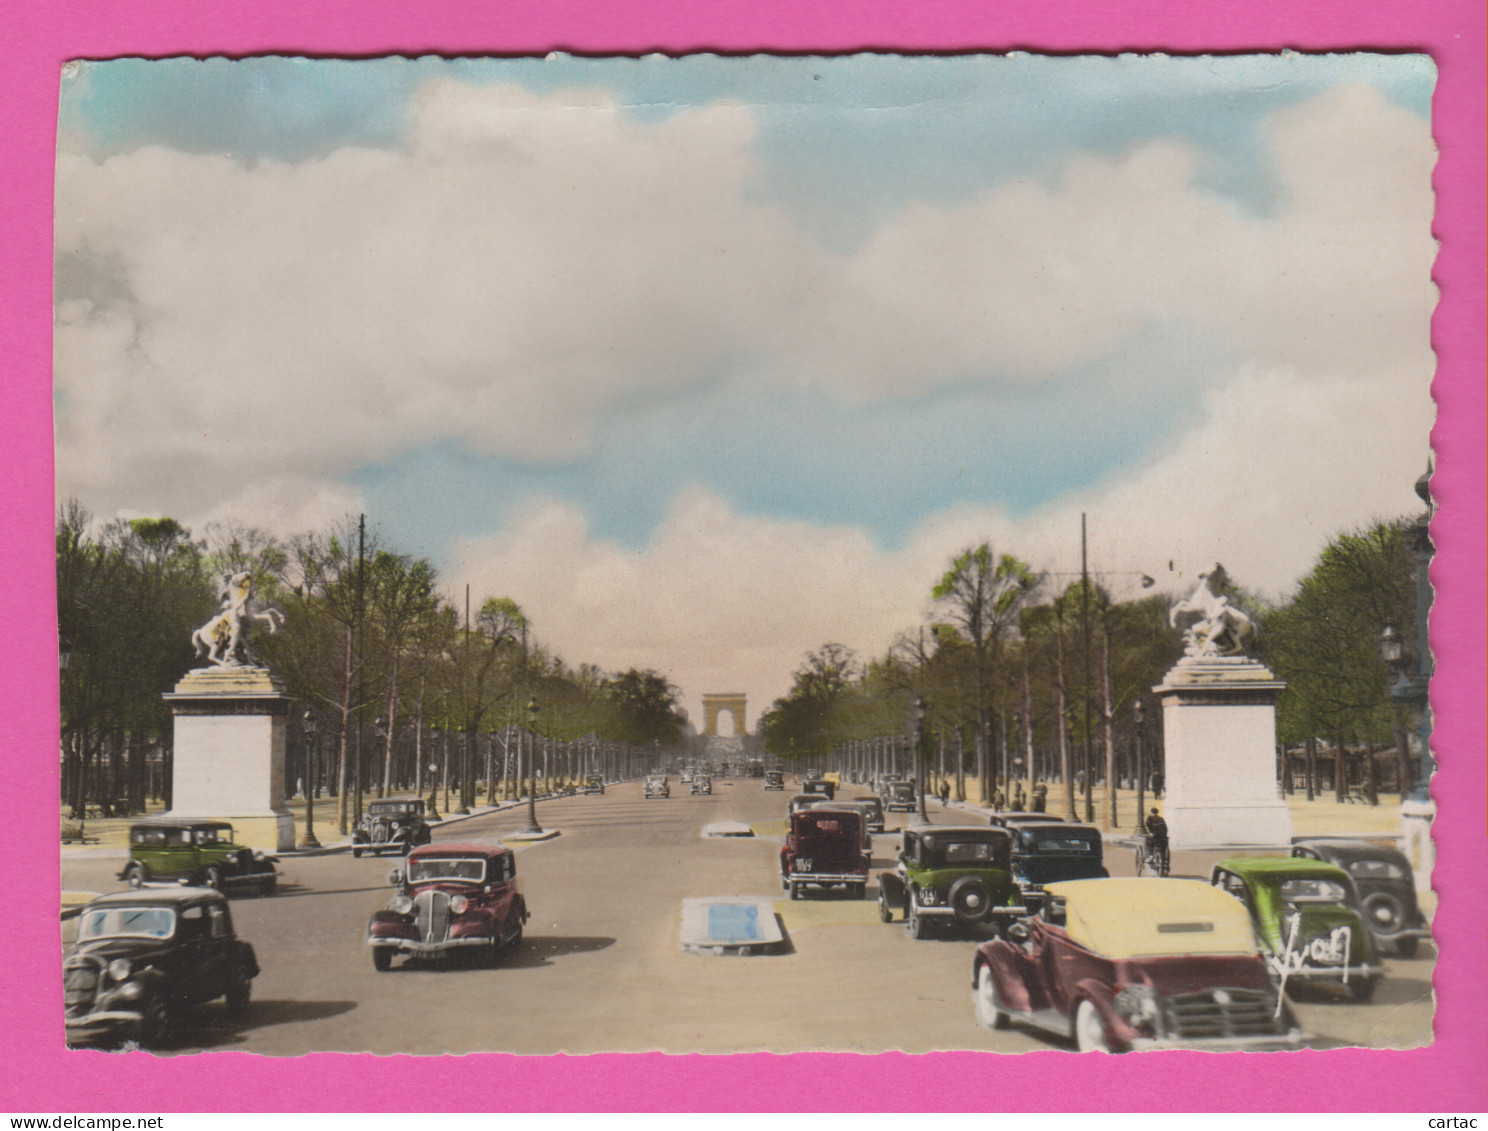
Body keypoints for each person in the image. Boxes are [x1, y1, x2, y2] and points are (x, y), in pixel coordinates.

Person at [1144, 808, 1169, 874]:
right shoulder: (1161, 819)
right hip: (1162, 839)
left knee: (1148, 843)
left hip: (1154, 837)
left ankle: (1150, 856)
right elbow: (1166, 828)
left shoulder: (1150, 818)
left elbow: (1147, 826)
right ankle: (1163, 858)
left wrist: (1150, 832)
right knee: (1163, 847)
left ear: (1151, 812)